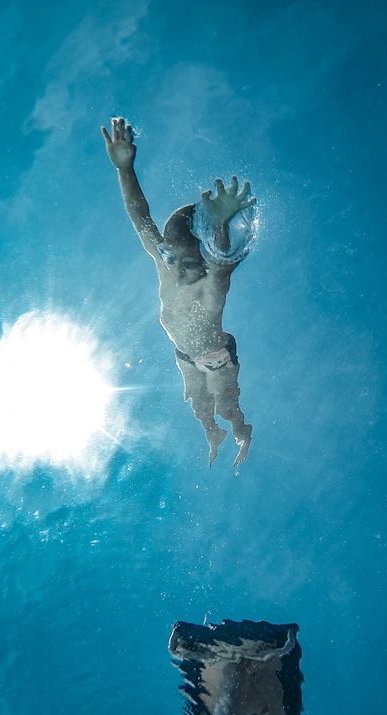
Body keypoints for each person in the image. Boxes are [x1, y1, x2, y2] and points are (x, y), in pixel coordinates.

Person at [103, 116, 254, 467]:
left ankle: (241, 432)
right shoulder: (166, 264)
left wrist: (219, 226)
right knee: (200, 406)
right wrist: (125, 169)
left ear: (201, 263)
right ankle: (212, 434)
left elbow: (222, 264)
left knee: (225, 403)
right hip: (185, 355)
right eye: (169, 256)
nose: (173, 266)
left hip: (217, 355)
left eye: (186, 263)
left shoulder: (208, 287)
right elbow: (141, 218)